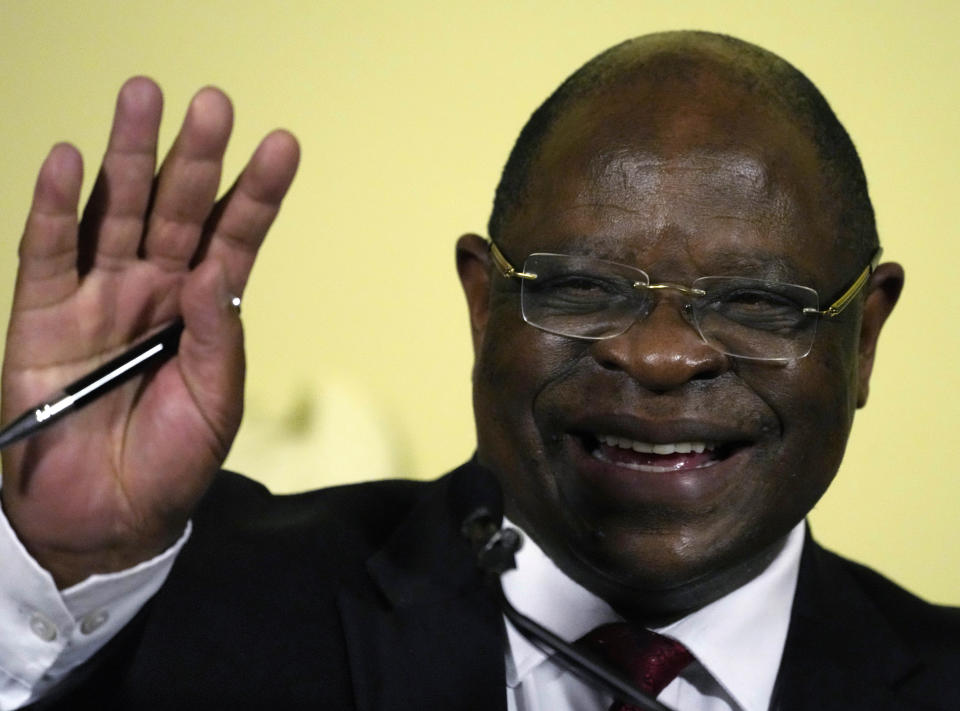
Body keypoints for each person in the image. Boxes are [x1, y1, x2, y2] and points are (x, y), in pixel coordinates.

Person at [0, 30, 957, 711]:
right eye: (581, 286)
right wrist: (67, 564)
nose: (660, 356)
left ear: (862, 336)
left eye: (755, 303)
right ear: (481, 304)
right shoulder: (196, 604)